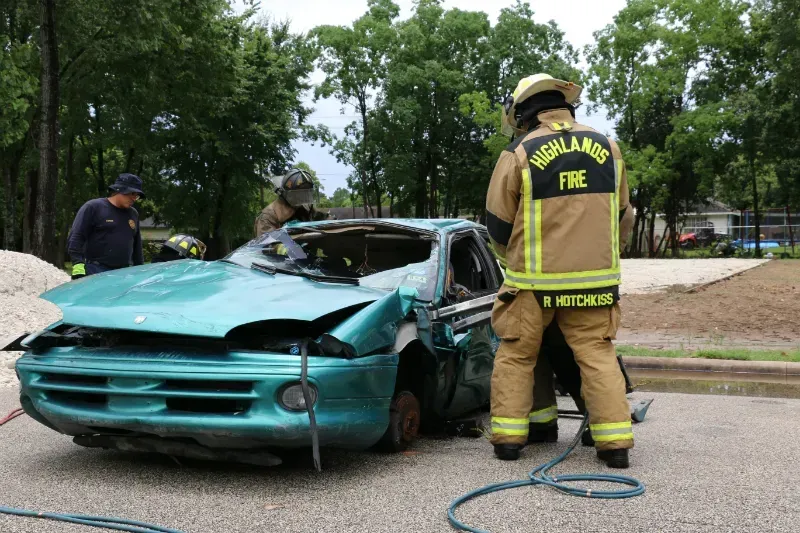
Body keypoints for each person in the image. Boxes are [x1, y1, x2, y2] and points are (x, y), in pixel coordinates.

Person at [485, 73, 635, 468]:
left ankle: (509, 442)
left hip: (532, 285)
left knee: (518, 356)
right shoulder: (608, 148)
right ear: (564, 105)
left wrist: (512, 260)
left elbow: (498, 226)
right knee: (597, 356)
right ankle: (615, 447)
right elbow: (622, 216)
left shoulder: (519, 151)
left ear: (523, 113)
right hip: (596, 284)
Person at [67, 173, 146, 280]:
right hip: (95, 270)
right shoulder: (94, 207)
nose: (134, 198)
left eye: (136, 196)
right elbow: (76, 237)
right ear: (120, 190)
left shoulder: (133, 214)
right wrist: (78, 264)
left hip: (123, 274)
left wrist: (140, 271)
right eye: (132, 193)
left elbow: (136, 246)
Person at [254, 168, 330, 237]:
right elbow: (267, 245)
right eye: (299, 194)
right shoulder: (267, 217)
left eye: (306, 193)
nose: (303, 198)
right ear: (288, 194)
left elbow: (325, 218)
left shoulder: (304, 209)